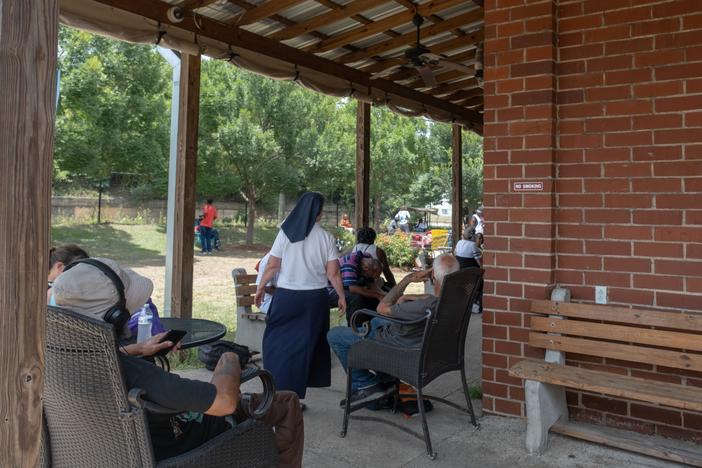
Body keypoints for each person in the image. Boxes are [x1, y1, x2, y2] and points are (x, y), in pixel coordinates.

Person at [50, 258, 304, 466]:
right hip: (185, 447)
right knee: (287, 402)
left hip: (114, 453)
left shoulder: (52, 359)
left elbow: (110, 359)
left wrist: (137, 349)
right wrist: (230, 358)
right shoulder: (134, 375)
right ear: (115, 317)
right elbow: (224, 402)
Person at [327, 254, 460, 406]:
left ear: (433, 276)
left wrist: (406, 280)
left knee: (335, 335)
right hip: (423, 350)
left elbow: (381, 307)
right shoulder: (452, 302)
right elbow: (430, 299)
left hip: (397, 351)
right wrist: (406, 298)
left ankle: (366, 385)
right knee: (377, 321)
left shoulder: (424, 308)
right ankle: (386, 382)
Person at [255, 192, 346, 402]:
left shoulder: (285, 234)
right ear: (318, 213)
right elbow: (333, 273)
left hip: (287, 298)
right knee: (306, 346)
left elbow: (272, 265)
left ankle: (277, 391)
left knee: (275, 344)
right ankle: (293, 395)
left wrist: (260, 288)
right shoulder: (326, 237)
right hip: (315, 301)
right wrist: (341, 295)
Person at [328, 251, 384, 324]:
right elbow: (353, 289)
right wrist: (377, 294)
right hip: (330, 289)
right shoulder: (350, 263)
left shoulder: (367, 256)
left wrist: (382, 294)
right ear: (366, 268)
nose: (371, 278)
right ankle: (356, 330)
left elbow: (371, 283)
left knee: (372, 297)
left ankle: (372, 325)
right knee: (354, 298)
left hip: (344, 287)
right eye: (370, 275)